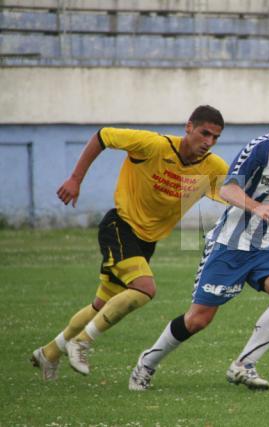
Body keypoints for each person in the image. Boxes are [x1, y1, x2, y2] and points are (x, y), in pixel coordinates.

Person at [128, 96, 269, 391]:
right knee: (198, 320)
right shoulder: (261, 149)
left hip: (268, 249)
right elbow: (228, 188)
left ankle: (243, 365)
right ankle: (146, 363)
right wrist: (256, 207)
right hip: (230, 245)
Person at [31, 105, 229, 381]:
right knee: (145, 289)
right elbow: (103, 136)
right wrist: (75, 179)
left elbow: (235, 193)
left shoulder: (213, 167)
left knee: (101, 305)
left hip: (146, 242)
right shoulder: (152, 145)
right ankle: (81, 342)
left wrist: (264, 206)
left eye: (215, 137)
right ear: (189, 127)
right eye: (204, 133)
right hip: (119, 227)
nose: (208, 142)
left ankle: (49, 352)